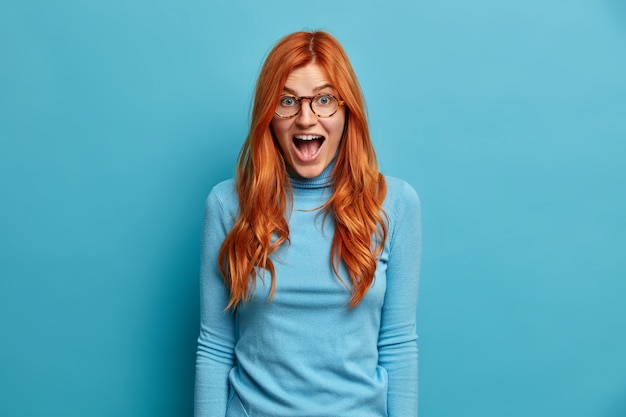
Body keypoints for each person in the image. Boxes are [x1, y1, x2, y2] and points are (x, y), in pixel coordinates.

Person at [195, 31, 421, 417]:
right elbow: (214, 347)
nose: (305, 117)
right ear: (269, 114)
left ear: (348, 110)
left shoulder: (395, 204)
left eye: (324, 99)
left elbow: (398, 345)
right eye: (287, 101)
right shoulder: (227, 205)